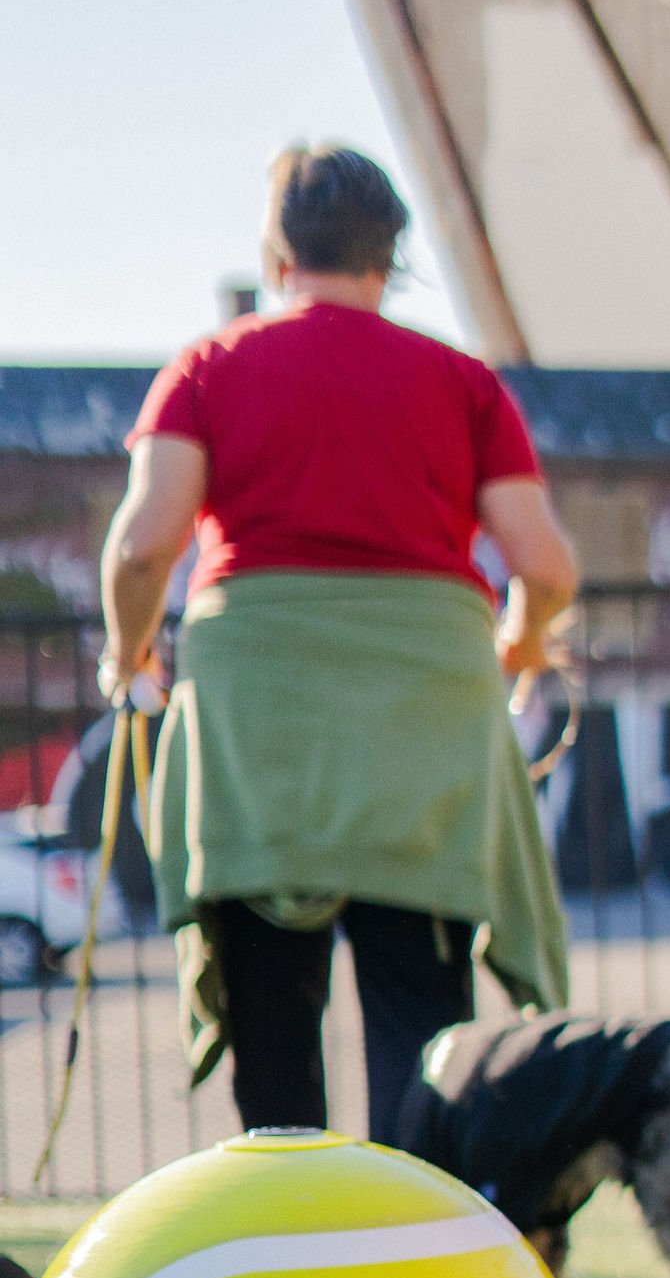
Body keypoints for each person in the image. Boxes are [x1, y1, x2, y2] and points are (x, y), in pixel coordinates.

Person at [98, 142, 579, 1138]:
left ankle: (292, 1250)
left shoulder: (211, 366)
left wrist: (127, 653)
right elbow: (547, 565)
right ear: (388, 256)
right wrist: (520, 648)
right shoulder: (463, 383)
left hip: (260, 731)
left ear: (279, 254)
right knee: (423, 1032)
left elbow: (145, 548)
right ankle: (412, 1248)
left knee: (274, 1035)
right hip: (425, 732)